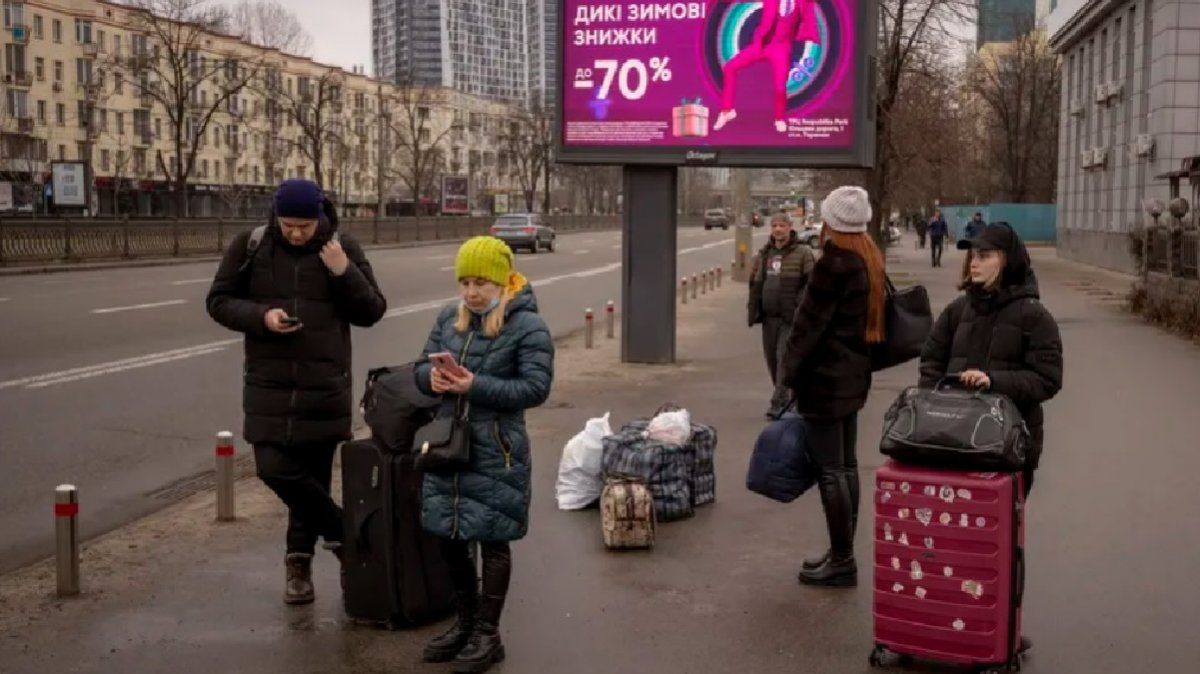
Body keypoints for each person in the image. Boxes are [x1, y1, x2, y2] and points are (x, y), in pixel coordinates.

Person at [206, 179, 387, 605]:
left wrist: (343, 271)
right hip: (268, 384)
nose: (297, 233)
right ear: (276, 216)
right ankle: (345, 536)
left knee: (314, 481)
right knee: (272, 468)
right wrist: (261, 317)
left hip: (323, 386)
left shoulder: (342, 248)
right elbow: (218, 301)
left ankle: (298, 566)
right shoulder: (249, 246)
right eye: (289, 225)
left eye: (305, 225)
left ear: (319, 217)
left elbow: (372, 311)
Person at [415, 236, 554, 673]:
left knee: (492, 538)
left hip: (497, 448)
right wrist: (431, 381)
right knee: (449, 535)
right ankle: (466, 623)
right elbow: (420, 367)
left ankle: (489, 635)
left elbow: (535, 389)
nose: (472, 292)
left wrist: (475, 386)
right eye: (465, 282)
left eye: (481, 282)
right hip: (447, 444)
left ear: (502, 281)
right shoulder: (448, 319)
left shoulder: (528, 326)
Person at [780, 185, 885, 588]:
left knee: (831, 471)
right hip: (852, 378)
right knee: (846, 466)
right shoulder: (869, 260)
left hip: (825, 382)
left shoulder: (833, 265)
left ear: (832, 223)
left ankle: (842, 559)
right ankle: (843, 552)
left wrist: (786, 378)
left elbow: (805, 330)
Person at [918, 223, 1062, 496]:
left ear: (1007, 260)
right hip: (954, 439)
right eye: (973, 256)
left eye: (984, 256)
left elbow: (1048, 379)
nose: (974, 263)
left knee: (999, 531)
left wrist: (993, 381)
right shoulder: (957, 310)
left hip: (1006, 446)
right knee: (953, 526)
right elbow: (931, 362)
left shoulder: (1034, 316)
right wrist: (935, 405)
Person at [712, 0, 821, 134]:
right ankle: (726, 111)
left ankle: (779, 118)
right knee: (729, 68)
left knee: (780, 87)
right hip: (762, 45)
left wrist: (812, 37)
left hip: (781, 48)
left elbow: (809, 18)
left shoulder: (804, 2)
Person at [748, 214, 816, 419]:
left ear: (790, 227)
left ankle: (779, 402)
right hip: (769, 317)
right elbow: (756, 283)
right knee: (772, 361)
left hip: (791, 318)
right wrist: (754, 308)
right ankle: (790, 397)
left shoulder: (803, 252)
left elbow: (811, 284)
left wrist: (798, 308)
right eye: (775, 226)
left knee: (783, 359)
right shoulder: (765, 253)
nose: (778, 229)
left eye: (782, 226)